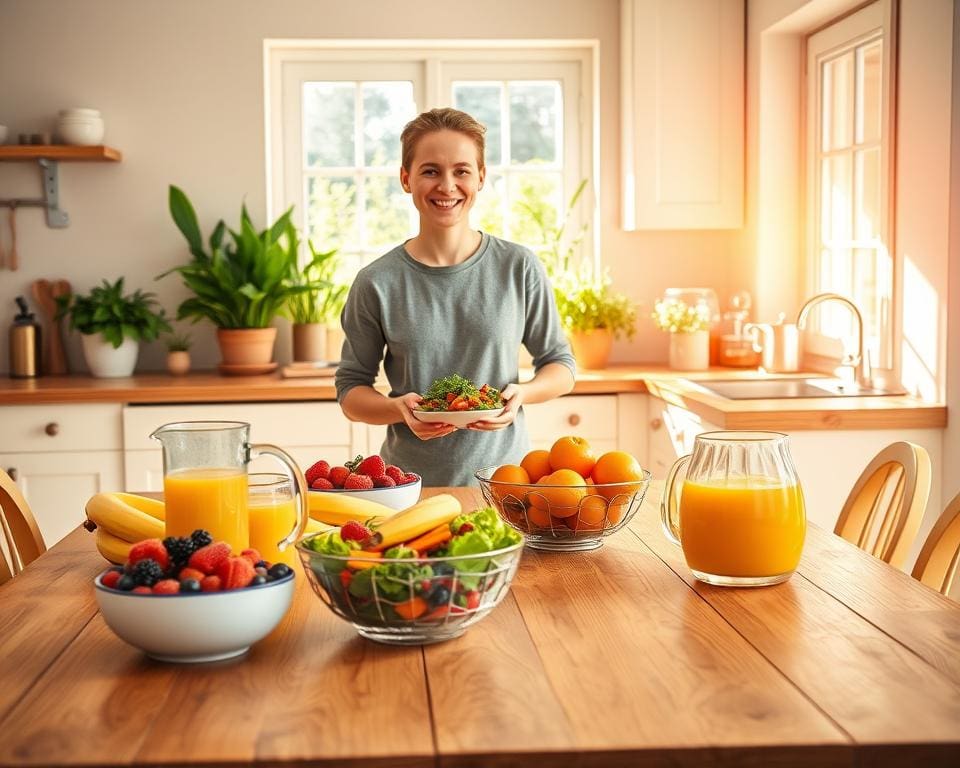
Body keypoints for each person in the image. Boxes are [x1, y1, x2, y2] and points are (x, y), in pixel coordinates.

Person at [334, 107, 576, 487]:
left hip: (506, 483)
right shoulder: (376, 282)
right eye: (430, 171)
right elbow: (351, 391)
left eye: (461, 171)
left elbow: (561, 365)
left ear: (480, 177)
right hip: (408, 485)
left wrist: (521, 395)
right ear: (405, 179)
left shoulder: (519, 267)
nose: (447, 186)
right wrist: (398, 409)